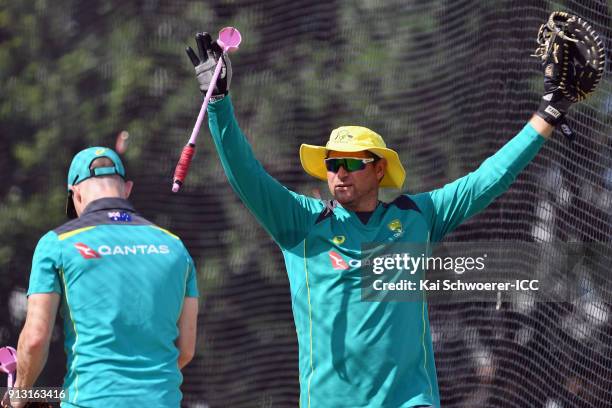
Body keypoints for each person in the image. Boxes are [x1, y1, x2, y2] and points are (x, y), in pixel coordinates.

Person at [186, 31, 572, 407]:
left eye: (351, 162)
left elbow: (488, 179)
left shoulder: (418, 216)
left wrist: (546, 116)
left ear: (378, 170)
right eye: (332, 163)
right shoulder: (303, 222)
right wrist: (218, 103)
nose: (339, 171)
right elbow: (245, 175)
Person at [5, 147, 198, 408]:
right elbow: (186, 350)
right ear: (127, 189)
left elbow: (36, 337)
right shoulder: (176, 247)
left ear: (77, 193)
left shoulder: (57, 244)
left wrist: (20, 394)